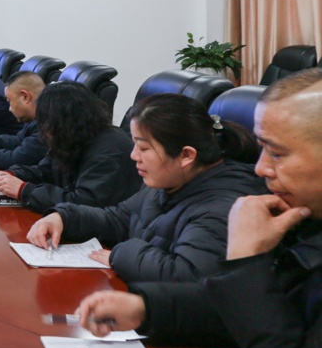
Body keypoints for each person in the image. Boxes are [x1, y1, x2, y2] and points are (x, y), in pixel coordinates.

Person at [74, 69, 322, 348]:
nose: (261, 168)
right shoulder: (304, 218)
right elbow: (264, 309)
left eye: (277, 153)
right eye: (262, 149)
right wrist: (149, 309)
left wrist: (246, 263)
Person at [26, 93, 264, 283]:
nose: (133, 156)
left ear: (186, 155)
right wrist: (64, 217)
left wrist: (119, 255)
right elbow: (118, 218)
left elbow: (186, 274)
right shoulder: (168, 182)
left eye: (143, 148)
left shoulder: (222, 207)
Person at [0, 81, 140, 212]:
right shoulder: (75, 136)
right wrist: (13, 174)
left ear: (63, 121)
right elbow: (47, 171)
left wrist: (24, 190)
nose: (44, 130)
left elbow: (84, 203)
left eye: (47, 123)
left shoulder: (110, 150)